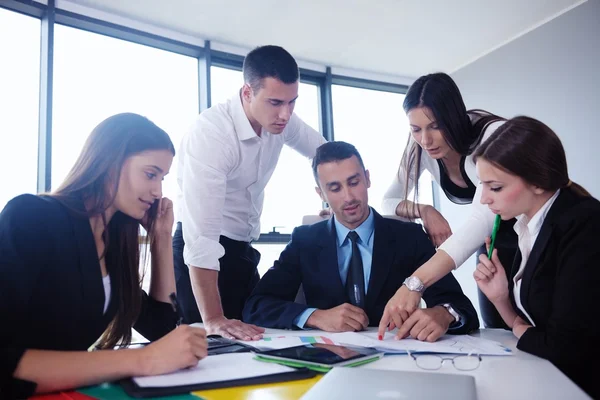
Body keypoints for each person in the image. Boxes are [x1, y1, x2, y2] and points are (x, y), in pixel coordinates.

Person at [0, 113, 208, 398]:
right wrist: (142, 360)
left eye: (162, 178)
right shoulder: (32, 217)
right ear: (111, 162)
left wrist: (160, 238)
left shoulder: (114, 242)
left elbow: (161, 329)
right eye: (150, 174)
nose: (158, 192)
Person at [243, 141, 478, 340]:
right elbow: (256, 305)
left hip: (396, 360)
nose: (348, 197)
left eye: (354, 182)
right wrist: (316, 317)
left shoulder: (410, 237)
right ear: (321, 194)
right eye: (334, 188)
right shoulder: (305, 241)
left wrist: (443, 314)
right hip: (328, 361)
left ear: (367, 179)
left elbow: (461, 307)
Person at [174, 45, 326, 340]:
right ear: (247, 93)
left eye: (292, 102)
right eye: (275, 102)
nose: (285, 113)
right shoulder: (213, 134)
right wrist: (214, 318)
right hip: (202, 256)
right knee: (214, 345)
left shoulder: (282, 121)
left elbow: (324, 153)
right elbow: (202, 239)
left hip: (242, 250)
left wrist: (335, 197)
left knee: (257, 336)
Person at [472, 116, 600, 398]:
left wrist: (518, 327)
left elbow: (564, 346)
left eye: (495, 187)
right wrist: (501, 299)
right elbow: (534, 329)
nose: (484, 199)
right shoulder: (527, 226)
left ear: (539, 182)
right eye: (482, 185)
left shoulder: (585, 224)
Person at [380, 72, 517, 329]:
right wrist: (425, 210)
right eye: (416, 129)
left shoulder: (492, 135)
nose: (425, 140)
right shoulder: (421, 147)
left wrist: (416, 282)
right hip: (491, 248)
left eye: (435, 126)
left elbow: (482, 219)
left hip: (530, 238)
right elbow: (388, 200)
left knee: (542, 336)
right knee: (498, 333)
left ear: (453, 117)